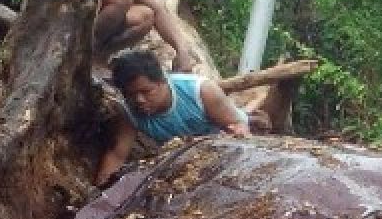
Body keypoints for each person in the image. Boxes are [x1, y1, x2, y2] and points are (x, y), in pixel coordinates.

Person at [95, 50, 262, 185]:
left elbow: (238, 127)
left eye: (146, 92)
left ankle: (259, 108)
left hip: (222, 139)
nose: (139, 100)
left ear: (162, 81)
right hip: (183, 158)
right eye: (131, 95)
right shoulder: (129, 111)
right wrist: (100, 189)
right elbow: (117, 154)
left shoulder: (200, 91)